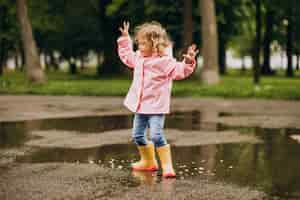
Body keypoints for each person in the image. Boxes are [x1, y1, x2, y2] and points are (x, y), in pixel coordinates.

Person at [117, 21, 198, 178]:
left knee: (156, 135)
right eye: (138, 44)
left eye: (143, 44)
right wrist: (125, 39)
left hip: (156, 106)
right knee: (138, 135)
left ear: (154, 44)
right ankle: (149, 162)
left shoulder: (164, 60)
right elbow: (127, 57)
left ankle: (167, 166)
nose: (139, 47)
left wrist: (188, 62)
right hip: (140, 106)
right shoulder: (139, 57)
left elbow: (178, 71)